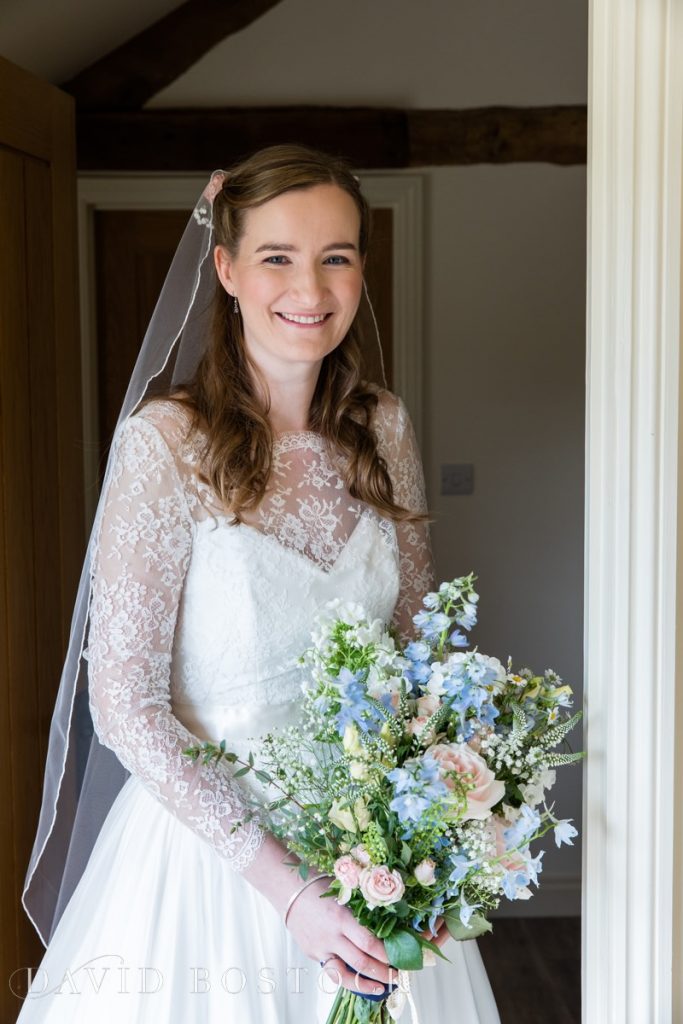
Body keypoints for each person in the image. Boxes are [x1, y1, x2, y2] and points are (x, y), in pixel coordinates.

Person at [17, 145, 501, 1022]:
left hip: (373, 849)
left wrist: (451, 806)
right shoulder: (164, 445)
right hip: (214, 866)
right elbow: (123, 703)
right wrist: (286, 890)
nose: (309, 290)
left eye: (336, 257)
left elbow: (419, 641)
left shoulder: (382, 428)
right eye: (277, 256)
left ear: (361, 269)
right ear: (228, 270)